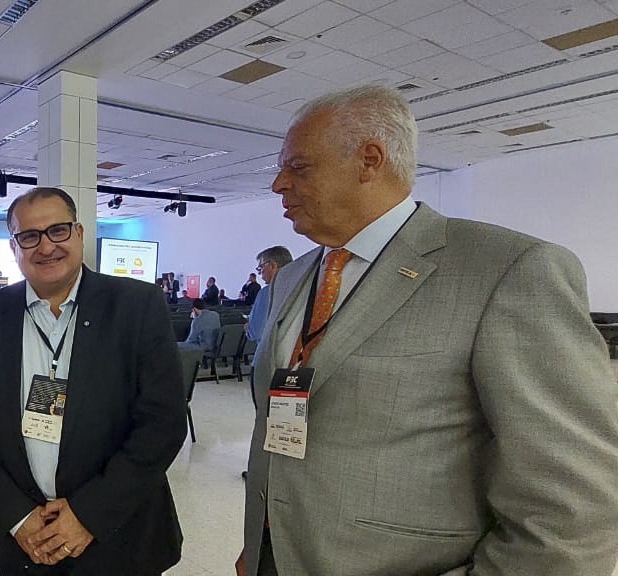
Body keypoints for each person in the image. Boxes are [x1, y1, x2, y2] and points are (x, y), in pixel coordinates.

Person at [238, 84, 618, 575]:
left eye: (299, 167)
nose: (278, 185)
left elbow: (573, 504)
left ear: (369, 160)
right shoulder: (292, 277)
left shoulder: (506, 270)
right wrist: (261, 542)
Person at [0, 187, 186, 575]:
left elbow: (162, 425)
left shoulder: (136, 305)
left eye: (58, 230)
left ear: (79, 233)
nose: (46, 246)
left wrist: (88, 515)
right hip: (26, 541)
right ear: (14, 247)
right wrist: (16, 516)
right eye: (29, 236)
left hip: (119, 536)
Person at [243, 246, 292, 408]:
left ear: (272, 265)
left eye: (261, 267)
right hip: (293, 363)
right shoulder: (301, 287)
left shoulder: (267, 293)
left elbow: (256, 332)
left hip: (266, 361)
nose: (260, 273)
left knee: (265, 413)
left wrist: (248, 327)